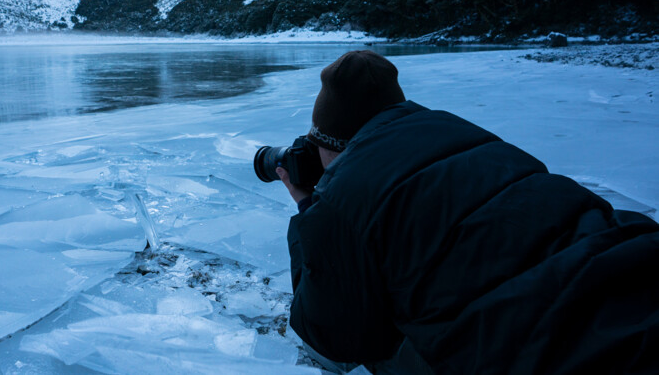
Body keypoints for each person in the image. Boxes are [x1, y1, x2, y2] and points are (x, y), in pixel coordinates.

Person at [275, 50, 659, 374]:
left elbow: (331, 340)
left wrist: (311, 211)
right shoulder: (478, 139)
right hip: (635, 270)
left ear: (332, 142)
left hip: (549, 352)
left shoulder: (343, 199)